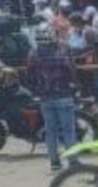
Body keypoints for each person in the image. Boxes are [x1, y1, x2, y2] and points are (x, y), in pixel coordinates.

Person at [26, 26, 77, 172]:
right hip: (64, 95)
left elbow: (29, 75)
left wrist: (37, 89)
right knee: (68, 130)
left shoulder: (33, 53)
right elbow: (71, 70)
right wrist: (75, 86)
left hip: (45, 98)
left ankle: (54, 162)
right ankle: (72, 160)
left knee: (51, 130)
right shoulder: (62, 50)